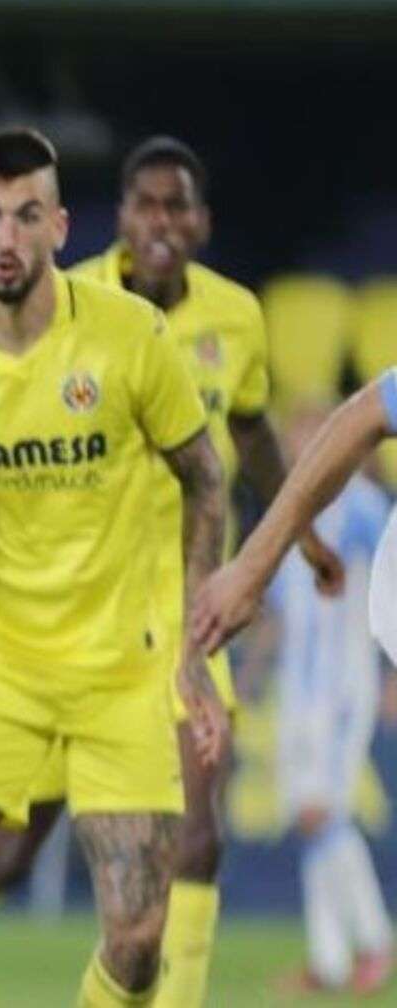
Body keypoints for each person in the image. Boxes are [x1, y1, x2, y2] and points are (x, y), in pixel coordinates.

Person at [0, 136, 345, 1006]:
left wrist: (300, 534)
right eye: (145, 204)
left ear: (202, 221)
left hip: (184, 613)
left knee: (198, 838)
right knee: (12, 847)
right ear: (119, 217)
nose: (161, 221)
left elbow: (253, 435)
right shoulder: (63, 306)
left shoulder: (236, 319)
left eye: (176, 205)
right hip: (72, 622)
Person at [0, 127, 229, 1007]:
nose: (8, 237)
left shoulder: (129, 335)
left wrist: (191, 649)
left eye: (28, 216)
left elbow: (206, 481)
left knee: (137, 945)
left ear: (60, 228)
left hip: (122, 679)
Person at [243, 403, 392, 996]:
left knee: (321, 814)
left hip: (343, 689)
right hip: (298, 692)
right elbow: (283, 611)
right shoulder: (295, 514)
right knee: (310, 821)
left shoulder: (364, 508)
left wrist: (391, 673)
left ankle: (373, 942)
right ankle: (329, 960)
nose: (299, 451)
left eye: (309, 438)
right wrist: (252, 673)